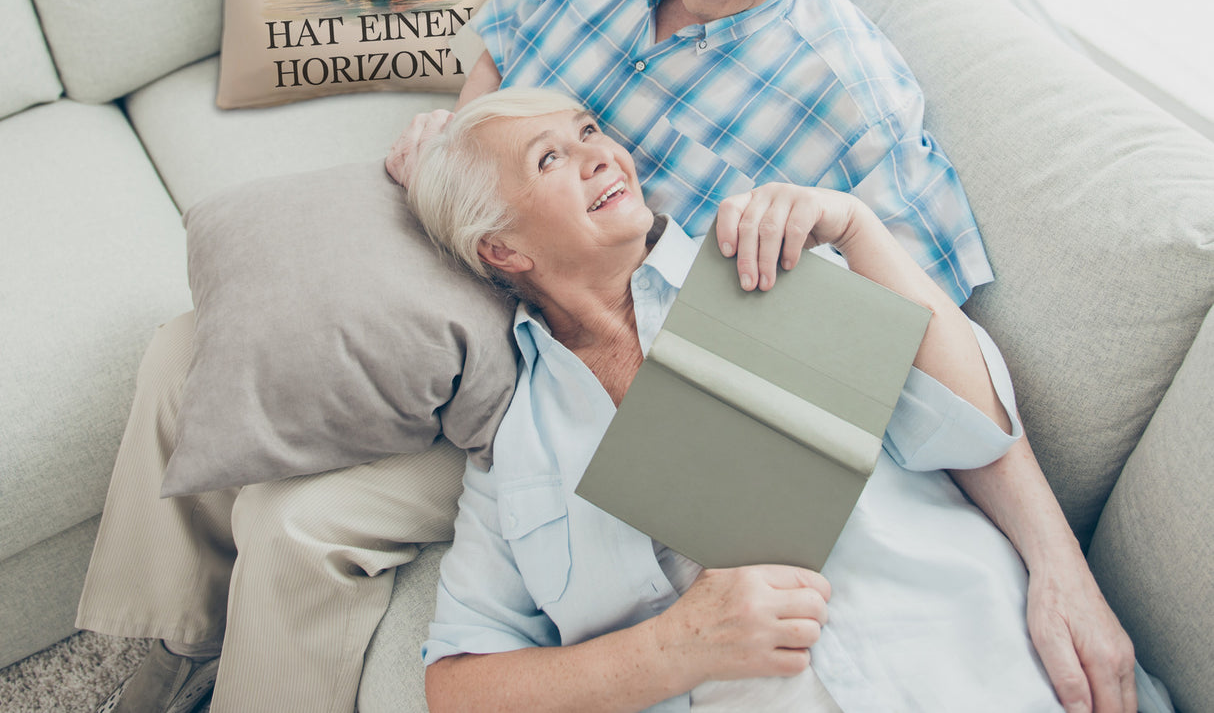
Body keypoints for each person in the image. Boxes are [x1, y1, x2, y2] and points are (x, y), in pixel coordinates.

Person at [79, 0, 1131, 713]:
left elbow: (927, 354)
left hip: (579, 352)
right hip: (489, 248)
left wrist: (1057, 562)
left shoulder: (853, 106)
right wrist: (457, 141)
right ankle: (159, 649)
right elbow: (498, 57)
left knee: (300, 523)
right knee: (192, 345)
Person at [406, 87, 1160, 713]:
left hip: (985, 666)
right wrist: (674, 648)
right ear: (502, 249)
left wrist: (859, 230)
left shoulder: (762, 260)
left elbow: (972, 428)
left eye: (589, 131)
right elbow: (458, 687)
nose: (601, 153)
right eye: (550, 158)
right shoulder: (516, 450)